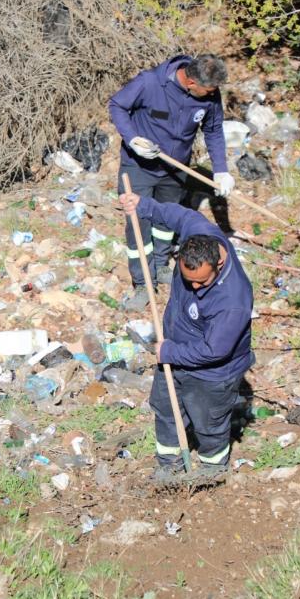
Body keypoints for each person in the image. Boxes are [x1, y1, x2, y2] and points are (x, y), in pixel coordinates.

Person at [118, 190, 253, 481]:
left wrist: (168, 352)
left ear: (218, 264)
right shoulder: (200, 234)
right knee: (166, 410)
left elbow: (214, 350)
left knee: (208, 422)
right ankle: (168, 466)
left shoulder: (233, 300)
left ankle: (211, 471)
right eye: (187, 279)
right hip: (175, 351)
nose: (193, 287)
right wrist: (144, 206)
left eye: (200, 282)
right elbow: (179, 215)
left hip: (212, 372)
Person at [109, 54, 235, 311]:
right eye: (208, 90)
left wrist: (220, 170)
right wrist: (133, 139)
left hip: (176, 167)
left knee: (167, 220)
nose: (213, 94)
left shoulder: (209, 96)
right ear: (190, 82)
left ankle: (161, 262)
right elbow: (117, 105)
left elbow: (213, 130)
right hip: (139, 166)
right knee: (138, 224)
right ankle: (143, 282)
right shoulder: (150, 83)